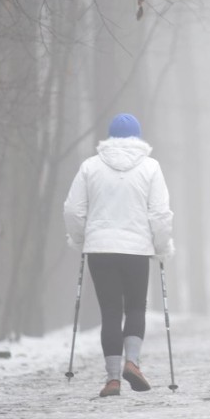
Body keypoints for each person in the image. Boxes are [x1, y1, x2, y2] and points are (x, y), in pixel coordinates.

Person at [64, 113, 174, 397]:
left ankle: (112, 379)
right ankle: (133, 363)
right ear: (138, 138)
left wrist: (80, 239)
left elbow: (73, 210)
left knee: (110, 311)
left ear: (110, 139)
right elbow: (160, 214)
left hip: (100, 249)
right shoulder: (151, 167)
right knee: (135, 308)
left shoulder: (90, 167)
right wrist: (162, 248)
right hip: (136, 250)